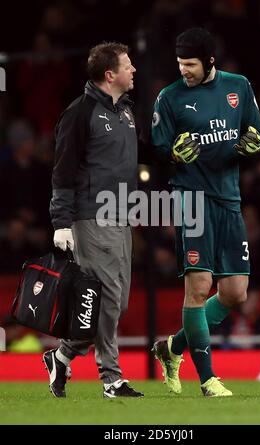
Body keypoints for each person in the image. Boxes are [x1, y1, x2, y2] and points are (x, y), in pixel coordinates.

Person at [151, 27, 260, 397]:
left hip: (229, 200)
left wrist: (254, 144)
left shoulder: (238, 86)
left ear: (210, 61)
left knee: (235, 294)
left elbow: (256, 134)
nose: (184, 70)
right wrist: (171, 155)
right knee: (198, 288)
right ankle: (207, 379)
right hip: (191, 200)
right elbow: (156, 150)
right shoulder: (169, 98)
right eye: (180, 63)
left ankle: (171, 349)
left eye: (191, 64)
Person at [43, 42, 143, 398]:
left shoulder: (127, 111)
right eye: (128, 66)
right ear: (109, 74)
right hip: (91, 215)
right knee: (108, 298)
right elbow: (63, 172)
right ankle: (112, 379)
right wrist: (61, 222)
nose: (134, 71)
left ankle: (63, 355)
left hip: (122, 216)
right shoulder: (80, 113)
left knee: (114, 303)